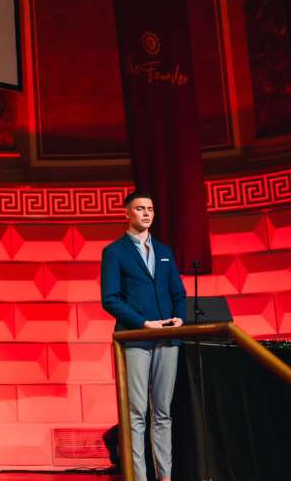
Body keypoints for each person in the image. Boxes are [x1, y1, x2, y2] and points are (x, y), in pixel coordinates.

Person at [100, 190, 187, 481]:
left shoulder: (164, 251)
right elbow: (110, 299)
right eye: (140, 209)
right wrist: (142, 323)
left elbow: (178, 293)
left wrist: (179, 318)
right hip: (134, 338)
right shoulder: (114, 252)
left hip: (167, 340)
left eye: (150, 209)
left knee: (163, 412)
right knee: (136, 413)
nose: (146, 213)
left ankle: (165, 477)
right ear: (127, 213)